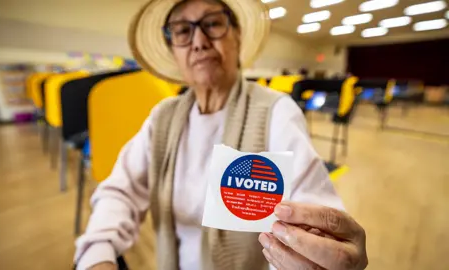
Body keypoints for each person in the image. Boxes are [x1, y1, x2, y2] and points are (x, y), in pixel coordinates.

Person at [74, 0, 368, 269]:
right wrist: (98, 253)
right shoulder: (162, 117)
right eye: (182, 31)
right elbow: (120, 191)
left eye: (213, 24)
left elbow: (316, 216)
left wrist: (325, 252)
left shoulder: (275, 111)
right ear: (173, 50)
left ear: (237, 36)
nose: (199, 42)